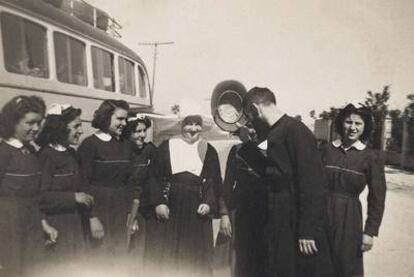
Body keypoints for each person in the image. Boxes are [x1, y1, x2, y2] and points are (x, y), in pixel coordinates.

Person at [242, 87, 334, 277]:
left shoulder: (296, 132)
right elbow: (272, 169)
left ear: (255, 109)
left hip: (293, 219)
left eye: (247, 116)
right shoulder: (275, 132)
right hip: (278, 218)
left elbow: (314, 184)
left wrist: (307, 229)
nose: (248, 121)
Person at [144, 113, 223, 277]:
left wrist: (208, 202)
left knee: (195, 255)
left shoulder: (209, 150)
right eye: (189, 123)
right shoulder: (167, 146)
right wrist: (159, 202)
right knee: (168, 252)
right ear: (181, 125)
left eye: (197, 124)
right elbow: (153, 176)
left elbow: (214, 181)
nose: (193, 129)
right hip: (171, 203)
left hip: (197, 207)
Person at [321, 104, 386, 277]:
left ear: (365, 127)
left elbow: (377, 198)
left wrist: (370, 232)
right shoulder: (326, 150)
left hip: (349, 219)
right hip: (321, 215)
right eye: (349, 122)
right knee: (318, 267)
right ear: (341, 123)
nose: (353, 127)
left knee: (347, 268)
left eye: (358, 123)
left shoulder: (371, 157)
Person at [0, 95, 57, 277]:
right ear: (13, 122)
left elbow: (35, 196)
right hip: (7, 226)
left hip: (31, 223)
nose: (36, 128)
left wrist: (44, 223)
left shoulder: (31, 150)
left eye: (39, 123)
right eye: (30, 123)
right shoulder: (3, 152)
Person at [35, 104, 94, 263]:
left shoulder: (72, 153)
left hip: (75, 225)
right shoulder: (46, 155)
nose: (81, 131)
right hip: (56, 226)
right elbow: (40, 197)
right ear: (60, 128)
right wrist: (73, 197)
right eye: (76, 126)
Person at [77, 99, 131, 258]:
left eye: (126, 119)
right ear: (106, 117)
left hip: (120, 208)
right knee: (99, 256)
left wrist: (130, 214)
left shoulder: (126, 145)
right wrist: (91, 217)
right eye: (120, 119)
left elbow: (129, 181)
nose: (124, 123)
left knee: (120, 255)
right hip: (99, 207)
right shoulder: (89, 144)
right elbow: (83, 183)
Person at [221, 124, 269, 277]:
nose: (253, 131)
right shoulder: (237, 151)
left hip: (267, 212)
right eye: (250, 127)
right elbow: (227, 184)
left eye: (257, 127)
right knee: (239, 256)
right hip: (241, 211)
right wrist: (224, 214)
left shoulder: (276, 151)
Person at [121, 114, 156, 262]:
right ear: (128, 132)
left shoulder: (150, 150)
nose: (142, 135)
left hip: (147, 208)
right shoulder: (121, 151)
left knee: (145, 250)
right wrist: (131, 214)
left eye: (144, 130)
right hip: (127, 207)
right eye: (137, 131)